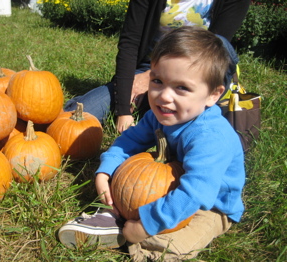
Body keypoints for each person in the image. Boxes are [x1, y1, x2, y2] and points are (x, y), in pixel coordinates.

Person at [58, 26, 246, 261]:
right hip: (175, 184)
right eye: (157, 80)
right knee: (129, 196)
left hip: (211, 205)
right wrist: (106, 170)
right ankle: (114, 221)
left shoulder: (210, 137)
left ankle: (136, 242)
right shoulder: (160, 116)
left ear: (212, 95)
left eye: (182, 87)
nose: (164, 96)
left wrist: (147, 225)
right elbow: (129, 141)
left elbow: (195, 193)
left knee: (169, 244)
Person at [64, 0, 251, 133]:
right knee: (74, 117)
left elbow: (216, 51)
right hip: (150, 66)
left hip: (199, 74)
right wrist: (123, 110)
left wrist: (151, 78)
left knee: (219, 44)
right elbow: (130, 43)